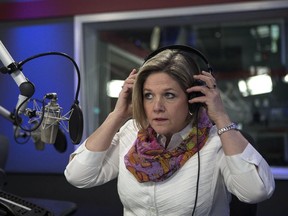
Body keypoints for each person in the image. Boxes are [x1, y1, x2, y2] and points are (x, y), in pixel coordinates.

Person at [64, 45, 275, 216]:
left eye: (169, 95)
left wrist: (221, 117)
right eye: (148, 95)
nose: (157, 107)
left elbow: (256, 192)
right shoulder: (132, 133)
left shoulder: (217, 142)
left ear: (192, 100)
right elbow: (78, 176)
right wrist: (117, 115)